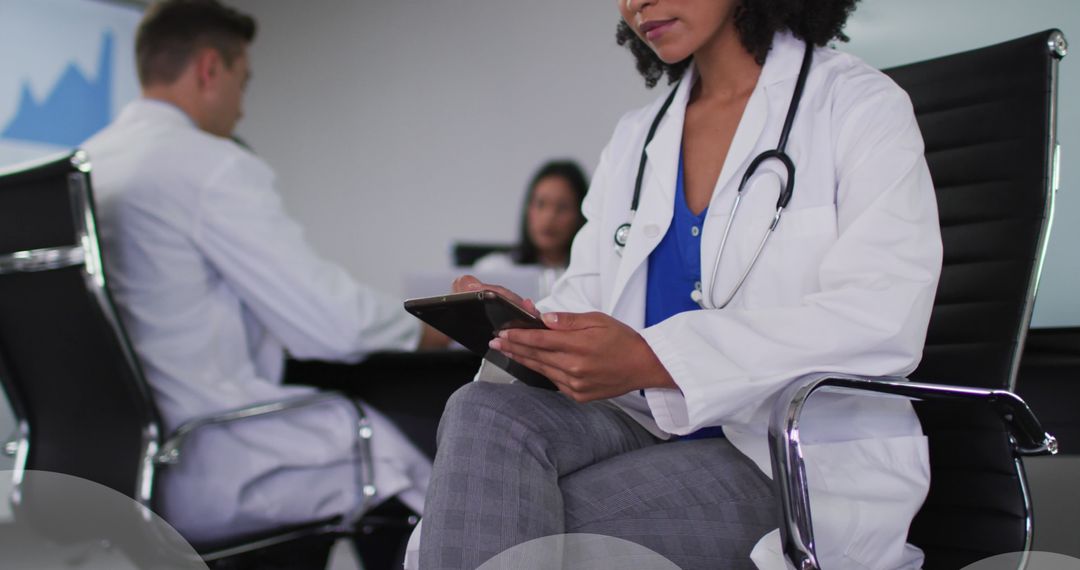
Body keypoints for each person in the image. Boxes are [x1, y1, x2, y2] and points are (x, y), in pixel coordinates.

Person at [415, 0, 942, 569]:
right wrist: (536, 327)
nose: (637, 2)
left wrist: (655, 359)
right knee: (484, 410)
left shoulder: (858, 106)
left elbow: (882, 317)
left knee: (501, 516)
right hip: (645, 424)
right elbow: (586, 291)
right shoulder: (637, 137)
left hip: (793, 456)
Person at [82, 0, 444, 565]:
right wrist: (438, 326)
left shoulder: (85, 167)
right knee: (420, 461)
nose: (242, 109)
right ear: (209, 69)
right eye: (242, 83)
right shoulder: (206, 164)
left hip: (113, 472)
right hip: (209, 464)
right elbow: (334, 326)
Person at [472, 160, 588, 297]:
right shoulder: (495, 269)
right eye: (541, 204)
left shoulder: (587, 278)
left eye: (562, 207)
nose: (549, 217)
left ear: (581, 214)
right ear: (528, 209)